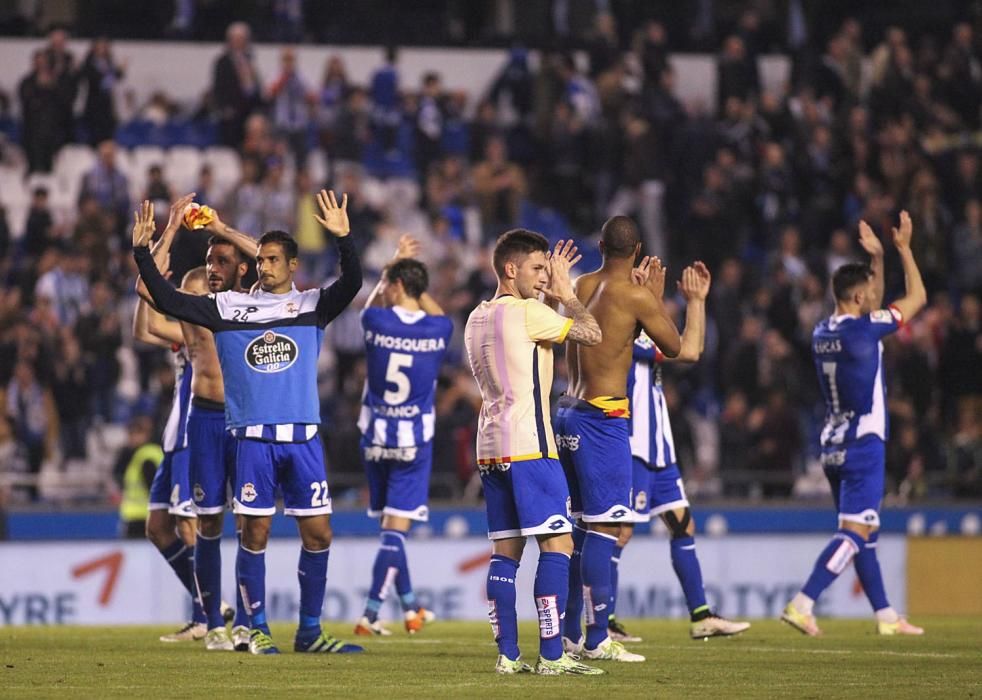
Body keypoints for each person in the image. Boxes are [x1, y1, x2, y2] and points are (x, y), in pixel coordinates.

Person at [133, 190, 363, 656]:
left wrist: (344, 239)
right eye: (261, 260)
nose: (264, 266)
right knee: (252, 533)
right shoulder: (228, 308)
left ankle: (310, 631)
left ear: (293, 265)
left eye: (273, 259)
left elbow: (353, 281)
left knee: (319, 533)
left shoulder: (312, 305)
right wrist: (144, 250)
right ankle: (254, 627)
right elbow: (161, 296)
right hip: (253, 438)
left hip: (303, 438)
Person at [463, 230, 604, 675]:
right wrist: (567, 294)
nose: (545, 277)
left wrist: (551, 295)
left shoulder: (476, 317)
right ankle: (552, 655)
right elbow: (592, 333)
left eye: (547, 269)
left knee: (505, 552)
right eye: (538, 268)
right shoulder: (528, 313)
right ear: (510, 269)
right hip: (531, 448)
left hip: (490, 447)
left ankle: (507, 655)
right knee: (558, 545)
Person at [782, 213, 927, 636]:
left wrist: (876, 261)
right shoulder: (866, 333)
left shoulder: (822, 330)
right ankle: (803, 601)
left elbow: (871, 307)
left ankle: (885, 616)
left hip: (832, 444)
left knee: (864, 529)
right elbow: (916, 297)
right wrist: (902, 249)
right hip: (864, 441)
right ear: (860, 297)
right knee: (855, 531)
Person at [557, 215, 680, 663]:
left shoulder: (583, 284)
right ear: (637, 250)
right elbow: (674, 345)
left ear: (602, 245)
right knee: (605, 528)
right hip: (604, 418)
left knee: (575, 529)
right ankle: (596, 638)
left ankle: (570, 634)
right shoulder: (634, 295)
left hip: (567, 411)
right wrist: (655, 296)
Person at [136, 193, 253, 651]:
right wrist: (165, 234)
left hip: (238, 421)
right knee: (193, 524)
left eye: (221, 260)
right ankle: (211, 615)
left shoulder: (254, 303)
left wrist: (220, 227)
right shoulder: (194, 317)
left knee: (241, 521)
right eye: (209, 262)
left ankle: (234, 618)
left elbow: (269, 254)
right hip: (195, 421)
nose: (213, 269)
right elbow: (146, 306)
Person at [611, 261, 750, 641]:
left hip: (659, 447)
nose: (645, 285)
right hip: (634, 444)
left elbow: (690, 347)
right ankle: (600, 622)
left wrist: (697, 301)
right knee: (619, 531)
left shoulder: (644, 332)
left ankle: (701, 615)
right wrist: (681, 302)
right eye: (636, 282)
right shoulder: (624, 331)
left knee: (682, 524)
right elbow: (687, 350)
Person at [353, 235, 451, 637]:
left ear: (395, 286)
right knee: (397, 529)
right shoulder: (439, 328)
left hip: (375, 437)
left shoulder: (376, 321)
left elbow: (372, 303)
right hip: (414, 441)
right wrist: (407, 280)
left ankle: (411, 609)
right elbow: (437, 310)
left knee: (391, 529)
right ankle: (371, 613)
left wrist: (389, 269)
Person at [133, 272, 207, 642]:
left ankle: (203, 615)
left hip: (193, 433)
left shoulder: (205, 330)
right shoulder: (185, 335)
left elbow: (158, 327)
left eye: (192, 293)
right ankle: (207, 603)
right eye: (183, 294)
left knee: (187, 523)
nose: (185, 299)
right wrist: (147, 294)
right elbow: (144, 332)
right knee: (157, 527)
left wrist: (148, 290)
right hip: (174, 436)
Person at [114, 416, 162, 538]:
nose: (131, 438)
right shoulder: (151, 453)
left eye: (135, 434)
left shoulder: (145, 457)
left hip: (141, 519)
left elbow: (153, 487)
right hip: (148, 517)